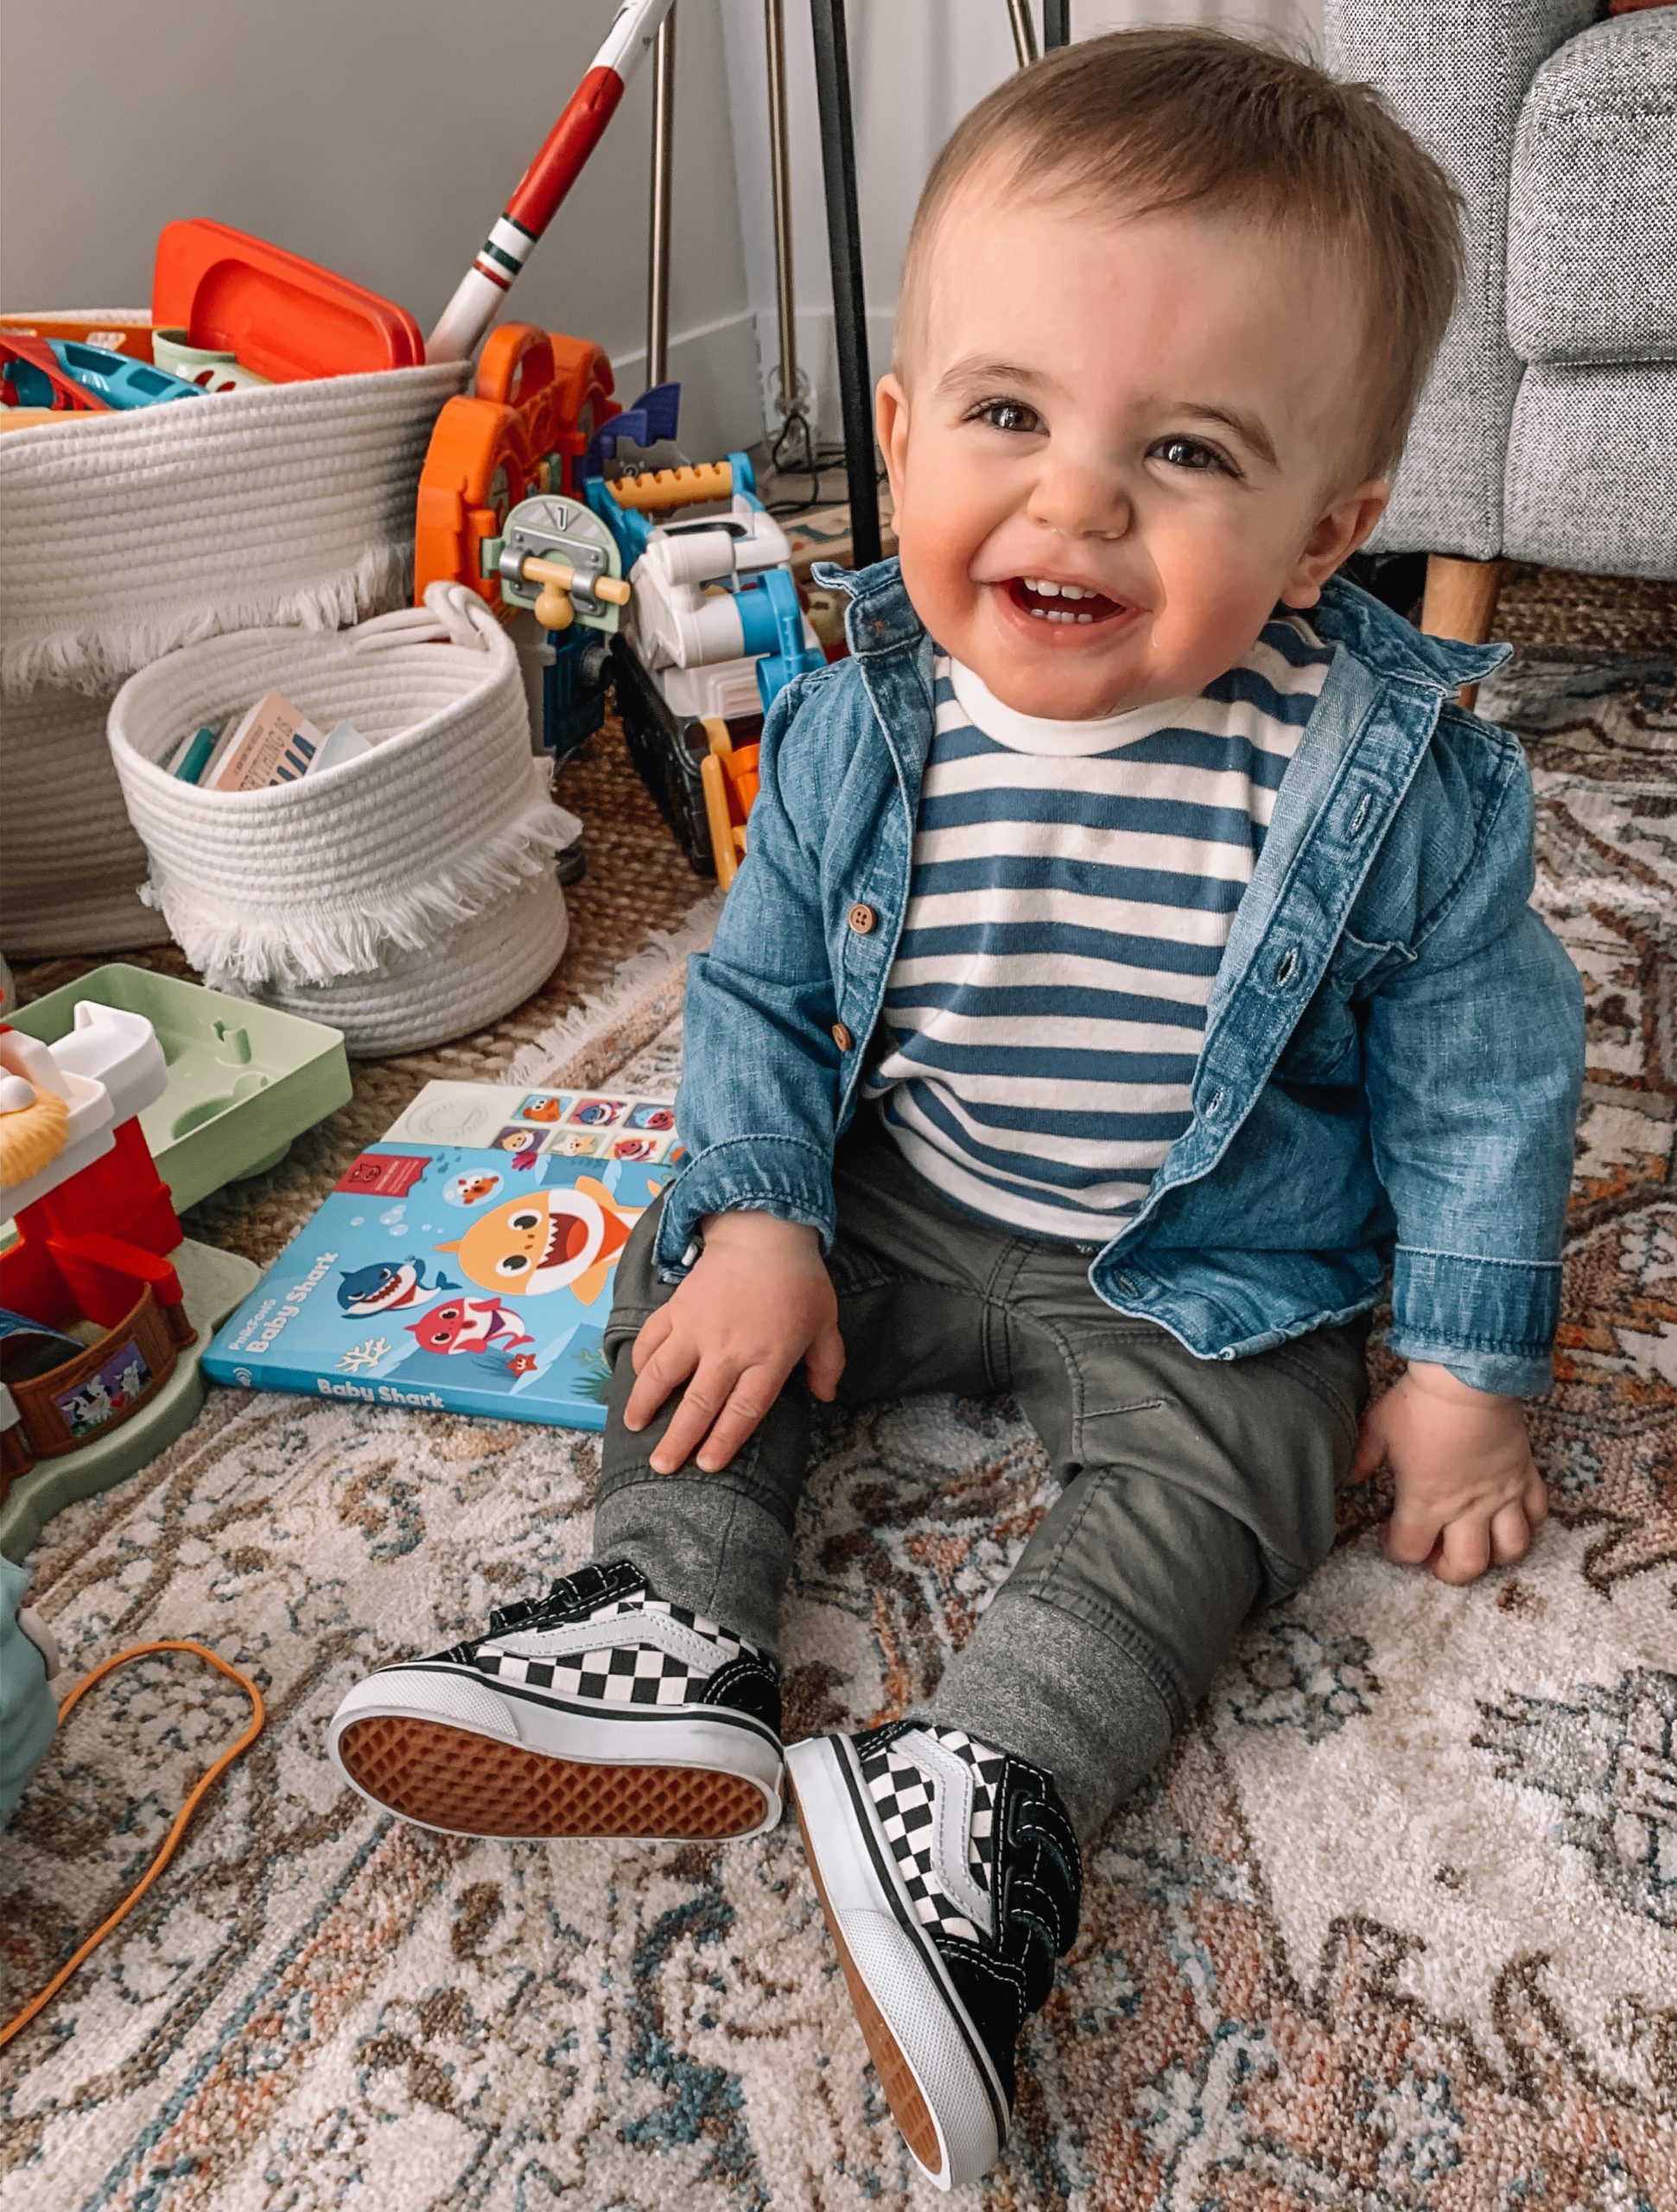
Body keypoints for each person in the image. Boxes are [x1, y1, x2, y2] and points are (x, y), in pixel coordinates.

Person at [328, 28, 1585, 2189]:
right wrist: (765, 1216)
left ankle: (987, 1793)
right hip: (907, 1194)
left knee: (1257, 1443)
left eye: (1184, 451)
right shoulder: (860, 713)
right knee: (693, 1270)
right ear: (899, 437)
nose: (1075, 498)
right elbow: (763, 997)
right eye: (1006, 414)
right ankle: (676, 1617)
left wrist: (1471, 1365)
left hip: (1203, 1250)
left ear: (1326, 534)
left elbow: (1486, 1071)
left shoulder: (1389, 785)